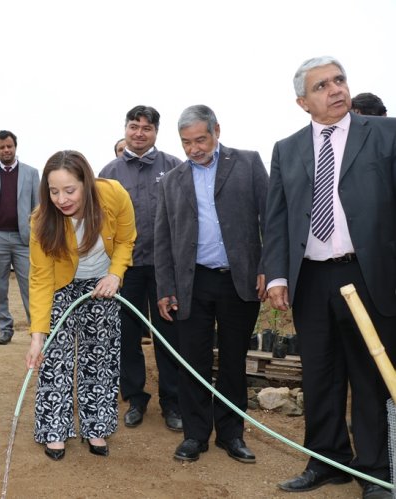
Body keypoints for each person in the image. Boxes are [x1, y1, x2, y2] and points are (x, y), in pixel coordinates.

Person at [265, 56, 396, 499]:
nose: (336, 90)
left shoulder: (385, 133)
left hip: (368, 274)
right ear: (303, 102)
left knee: (370, 374)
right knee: (319, 374)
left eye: (340, 80)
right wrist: (278, 275)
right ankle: (326, 460)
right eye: (322, 86)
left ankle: (375, 470)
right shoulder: (286, 149)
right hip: (312, 279)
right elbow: (277, 218)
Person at [154, 105, 268, 465]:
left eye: (200, 139)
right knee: (193, 362)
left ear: (217, 130)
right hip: (192, 283)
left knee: (234, 360)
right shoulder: (172, 180)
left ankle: (231, 434)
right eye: (186, 143)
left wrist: (269, 270)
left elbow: (270, 218)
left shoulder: (248, 164)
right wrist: (165, 287)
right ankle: (195, 435)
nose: (193, 149)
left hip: (239, 281)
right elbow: (162, 237)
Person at [26, 150, 136, 461]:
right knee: (55, 355)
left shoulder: (113, 195)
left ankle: (96, 427)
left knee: (100, 353)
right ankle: (54, 431)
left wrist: (115, 275)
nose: (62, 199)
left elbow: (127, 239)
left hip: (102, 282)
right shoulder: (40, 220)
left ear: (86, 183)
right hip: (61, 283)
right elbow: (41, 279)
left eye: (70, 190)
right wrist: (37, 337)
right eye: (54, 191)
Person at [100, 105, 183, 431]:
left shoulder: (175, 168)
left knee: (168, 337)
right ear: (125, 128)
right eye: (134, 127)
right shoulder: (109, 172)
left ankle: (172, 402)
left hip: (166, 268)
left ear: (156, 132)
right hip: (126, 269)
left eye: (146, 128)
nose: (139, 133)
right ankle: (135, 398)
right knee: (127, 336)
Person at [0, 130, 39, 345]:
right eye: (1, 147)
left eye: (9, 146)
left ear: (15, 147)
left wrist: (37, 235)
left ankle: (38, 328)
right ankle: (5, 328)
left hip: (24, 239)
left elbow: (37, 207)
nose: (6, 150)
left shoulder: (32, 173)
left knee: (31, 285)